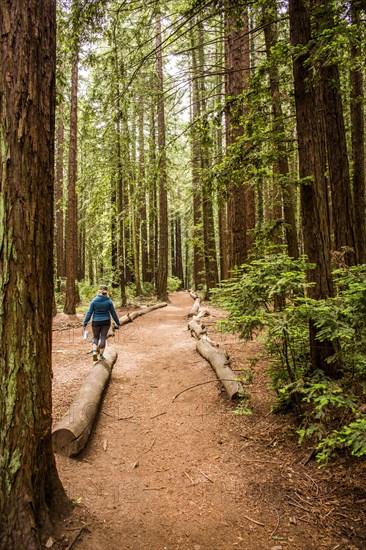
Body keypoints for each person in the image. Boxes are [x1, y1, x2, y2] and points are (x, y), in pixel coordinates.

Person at [82, 285, 121, 361]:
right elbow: (113, 313)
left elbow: (89, 313)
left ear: (99, 291)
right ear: (106, 292)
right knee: (103, 337)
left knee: (95, 337)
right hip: (106, 322)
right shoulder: (108, 301)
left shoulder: (94, 300)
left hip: (96, 322)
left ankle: (94, 352)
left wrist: (85, 323)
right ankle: (101, 356)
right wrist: (118, 323)